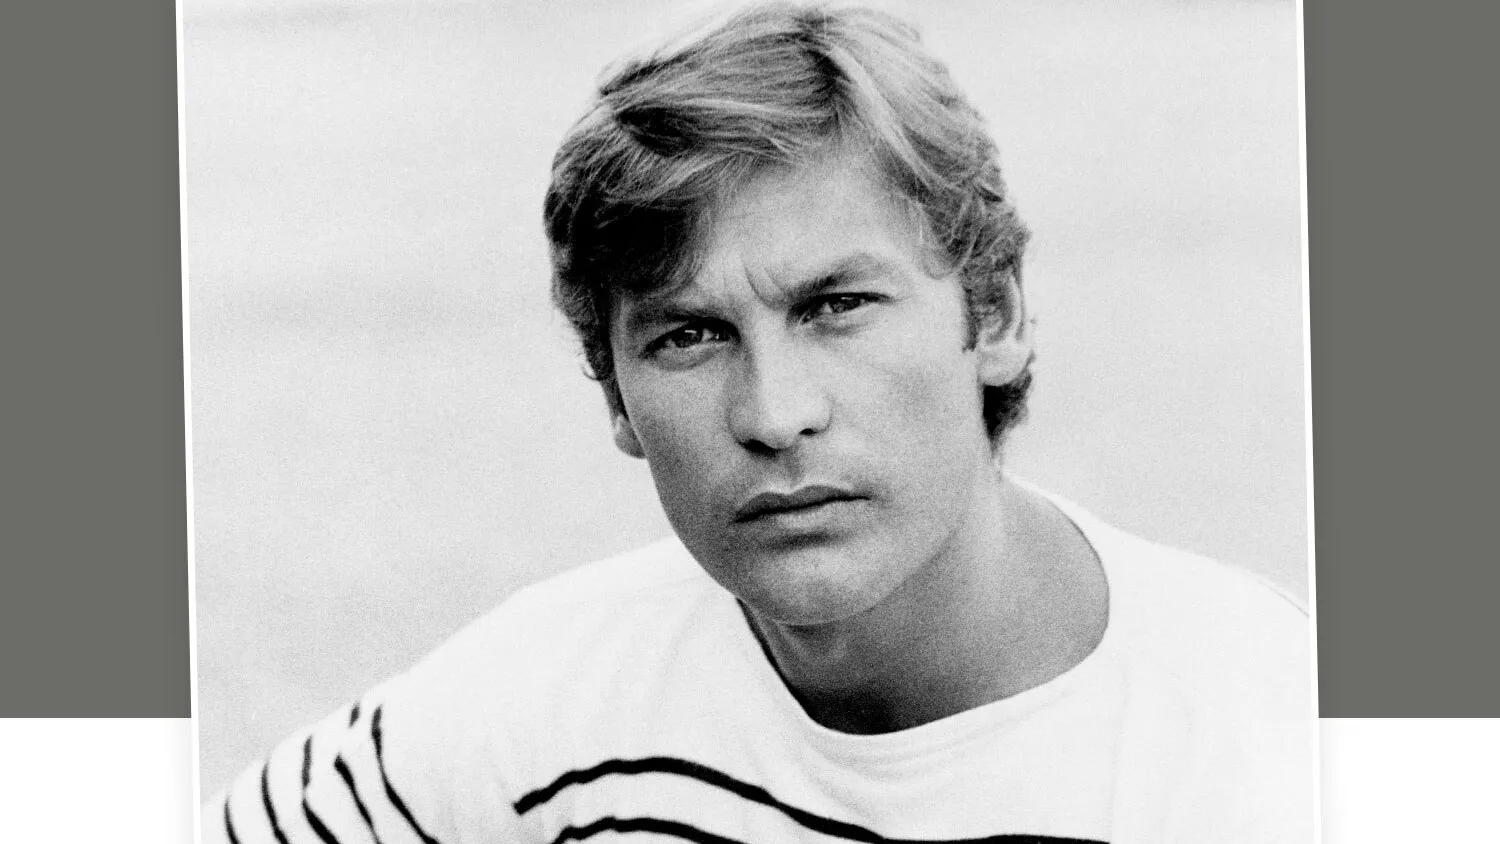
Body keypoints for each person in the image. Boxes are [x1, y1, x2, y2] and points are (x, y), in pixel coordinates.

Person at [205, 3, 1313, 842]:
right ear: (615, 397)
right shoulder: (541, 708)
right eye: (689, 336)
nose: (775, 415)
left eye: (837, 307)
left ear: (997, 315)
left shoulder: (1277, 751)